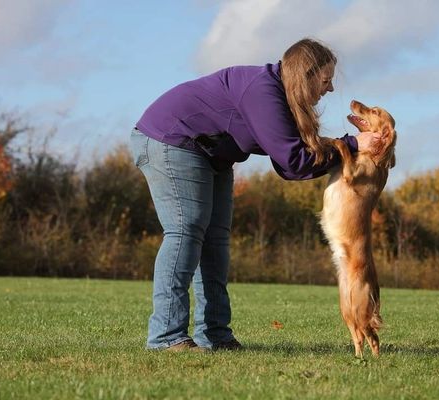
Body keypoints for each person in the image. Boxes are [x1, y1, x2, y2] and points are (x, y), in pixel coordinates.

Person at [130, 38, 381, 351]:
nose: (329, 90)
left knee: (216, 240)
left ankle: (215, 336)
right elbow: (294, 163)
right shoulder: (263, 92)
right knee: (187, 229)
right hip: (170, 141)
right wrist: (353, 145)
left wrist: (347, 146)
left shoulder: (282, 99)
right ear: (304, 76)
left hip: (212, 155)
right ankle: (166, 337)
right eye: (326, 81)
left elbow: (291, 162)